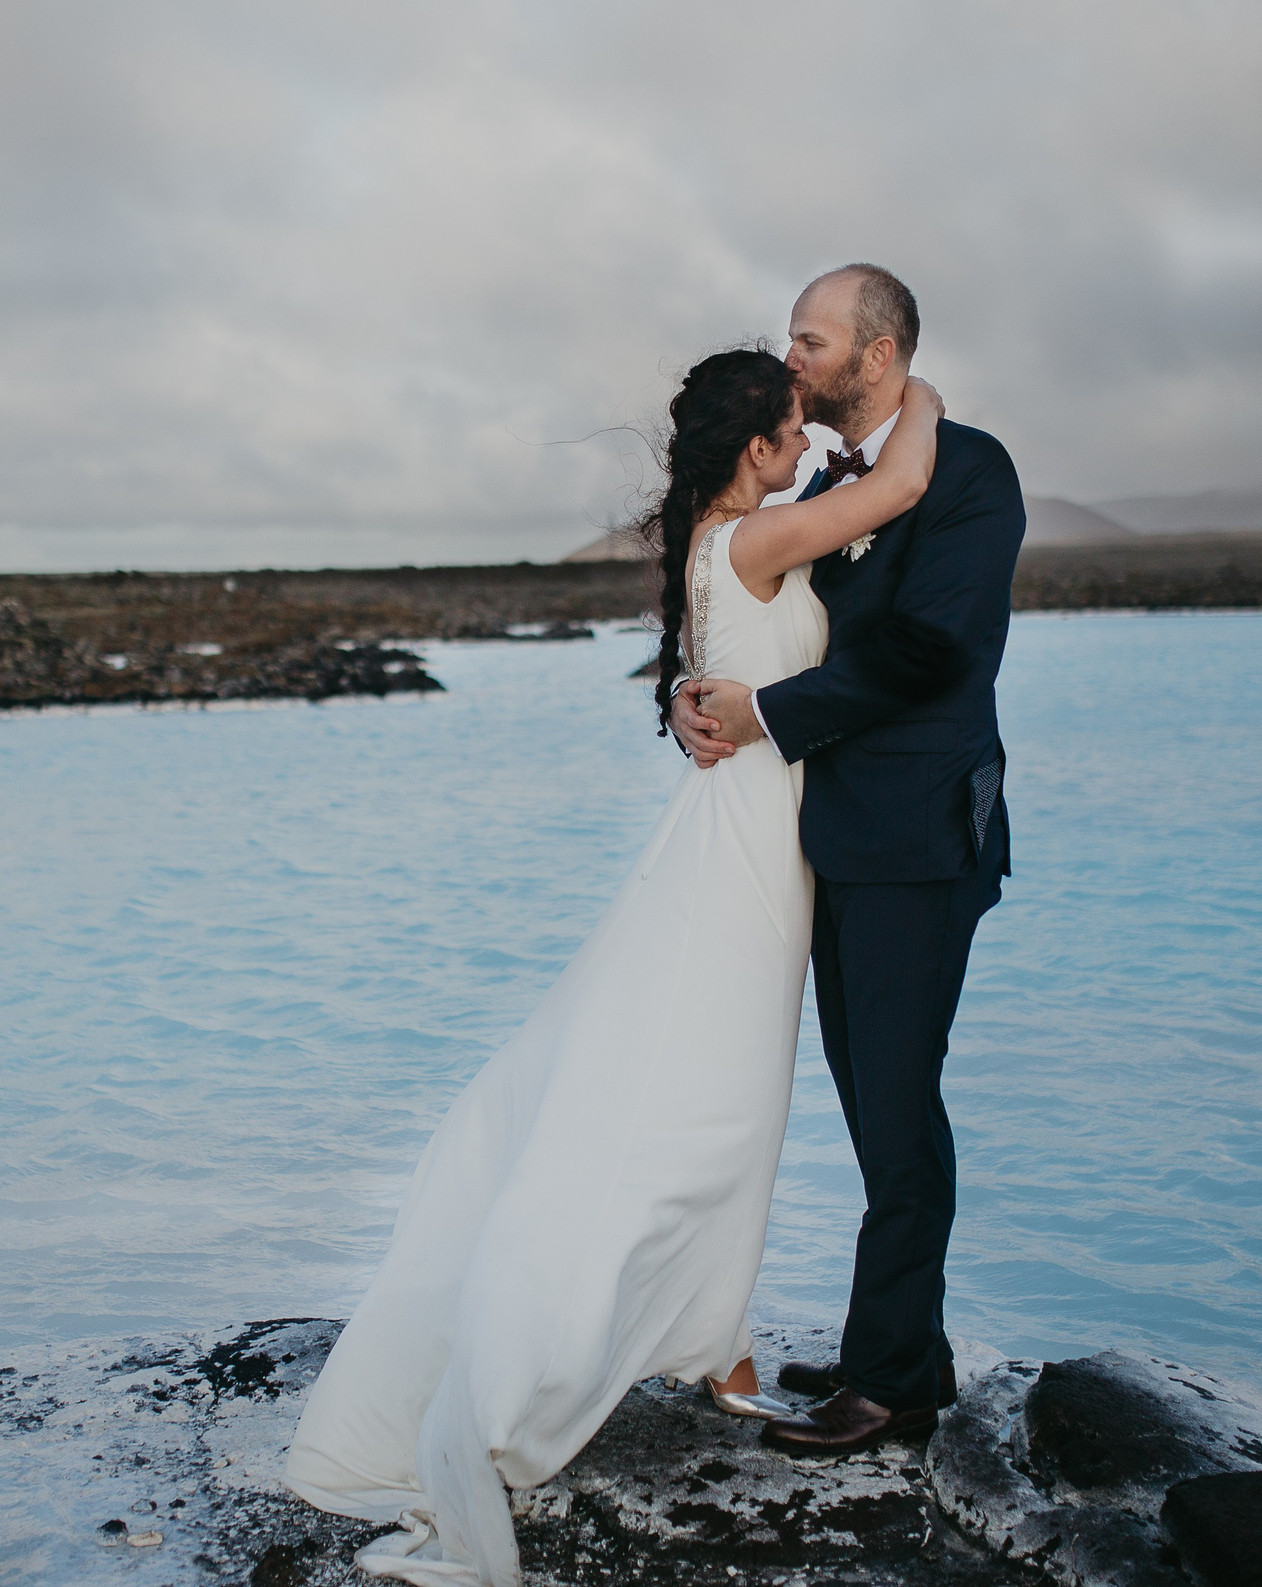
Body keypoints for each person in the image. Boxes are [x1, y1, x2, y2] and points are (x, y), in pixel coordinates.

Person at [283, 345, 944, 1587]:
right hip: (744, 855)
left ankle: (716, 1339)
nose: (807, 446)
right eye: (794, 428)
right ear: (752, 449)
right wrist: (924, 393)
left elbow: (737, 666)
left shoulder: (714, 536)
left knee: (721, 1105)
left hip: (746, 842)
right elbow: (903, 486)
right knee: (712, 1108)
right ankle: (551, 1357)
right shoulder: (753, 540)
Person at [671, 264, 1027, 1455]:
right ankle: (903, 1348)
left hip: (918, 837)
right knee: (867, 1094)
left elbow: (931, 650)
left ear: (877, 357)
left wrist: (764, 715)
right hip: (816, 840)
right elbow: (739, 617)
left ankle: (888, 1384)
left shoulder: (966, 473)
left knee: (895, 1095)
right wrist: (691, 700)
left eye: (810, 342)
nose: (792, 361)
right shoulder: (813, 477)